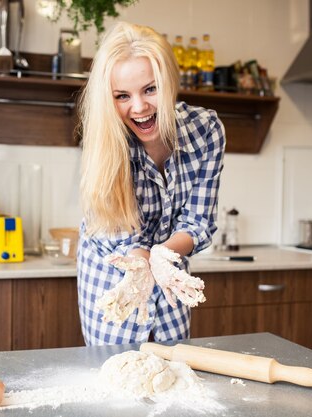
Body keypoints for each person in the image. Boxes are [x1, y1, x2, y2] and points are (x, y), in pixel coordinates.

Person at [77, 21, 226, 346]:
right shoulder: (106, 140)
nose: (139, 107)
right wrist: (144, 261)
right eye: (122, 96)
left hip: (170, 279)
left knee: (172, 381)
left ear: (170, 82)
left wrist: (163, 256)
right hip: (116, 286)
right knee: (118, 382)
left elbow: (198, 221)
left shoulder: (206, 131)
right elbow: (116, 231)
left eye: (150, 89)